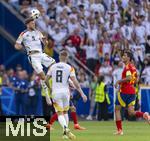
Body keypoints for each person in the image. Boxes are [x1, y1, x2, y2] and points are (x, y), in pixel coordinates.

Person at [46, 49, 87, 139]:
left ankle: (66, 129)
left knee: (59, 113)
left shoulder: (52, 67)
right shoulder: (70, 67)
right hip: (66, 93)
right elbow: (74, 81)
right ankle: (65, 133)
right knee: (65, 112)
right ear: (67, 58)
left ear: (59, 57)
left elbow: (46, 79)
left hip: (56, 92)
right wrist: (82, 93)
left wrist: (50, 88)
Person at [14, 17, 55, 105]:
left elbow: (45, 43)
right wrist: (20, 47)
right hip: (33, 56)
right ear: (28, 24)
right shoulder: (23, 33)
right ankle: (48, 95)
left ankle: (63, 83)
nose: (34, 24)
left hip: (41, 53)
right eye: (32, 23)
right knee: (42, 75)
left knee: (54, 64)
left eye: (34, 23)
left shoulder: (38, 32)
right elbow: (16, 45)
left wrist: (45, 42)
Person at [114, 50, 150, 135]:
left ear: (129, 58)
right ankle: (144, 114)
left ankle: (119, 130)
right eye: (123, 56)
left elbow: (129, 77)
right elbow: (136, 79)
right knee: (131, 112)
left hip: (125, 91)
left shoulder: (127, 67)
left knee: (117, 110)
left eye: (125, 56)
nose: (123, 57)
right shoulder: (133, 67)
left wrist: (119, 81)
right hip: (132, 91)